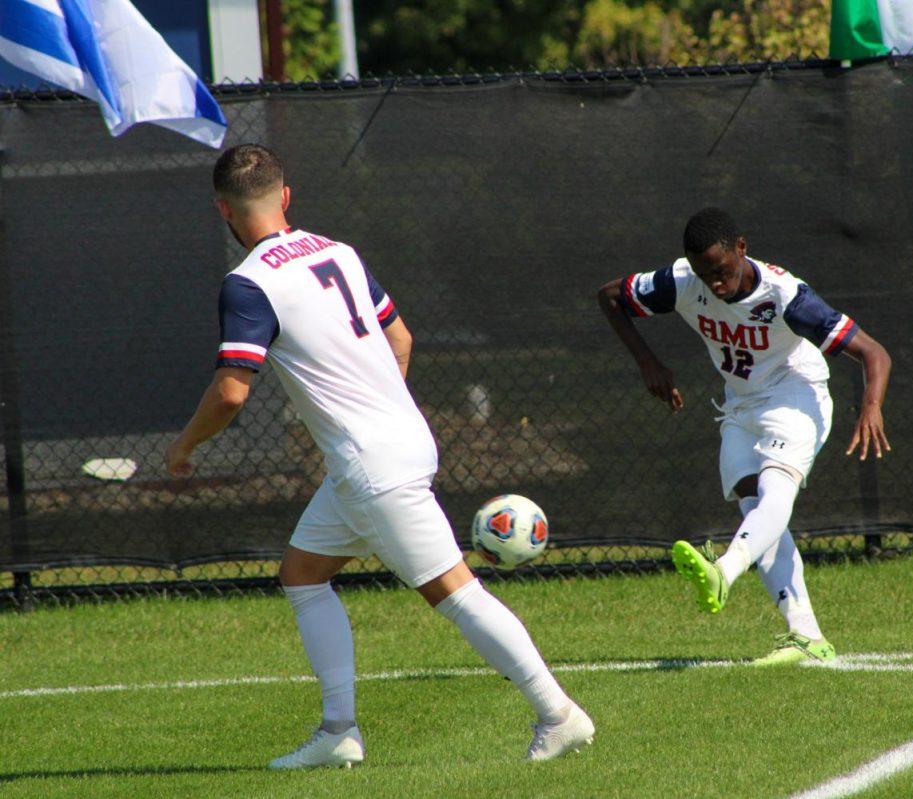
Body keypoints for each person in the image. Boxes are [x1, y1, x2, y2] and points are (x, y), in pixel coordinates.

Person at [166, 144, 593, 769]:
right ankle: (338, 732)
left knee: (455, 593)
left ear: (221, 210)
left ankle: (558, 714)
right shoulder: (338, 251)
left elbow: (232, 391)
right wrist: (383, 411)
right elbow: (400, 336)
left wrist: (184, 446)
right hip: (397, 443)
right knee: (302, 574)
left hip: (372, 464)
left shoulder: (249, 282)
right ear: (286, 196)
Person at [597, 207, 892, 666]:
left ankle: (724, 571)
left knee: (776, 490)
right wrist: (647, 363)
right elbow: (611, 297)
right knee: (755, 508)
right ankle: (807, 637)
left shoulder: (787, 296)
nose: (714, 284)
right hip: (739, 402)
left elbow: (874, 353)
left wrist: (871, 406)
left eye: (721, 271)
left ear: (742, 247)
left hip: (796, 393)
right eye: (703, 274)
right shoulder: (681, 282)